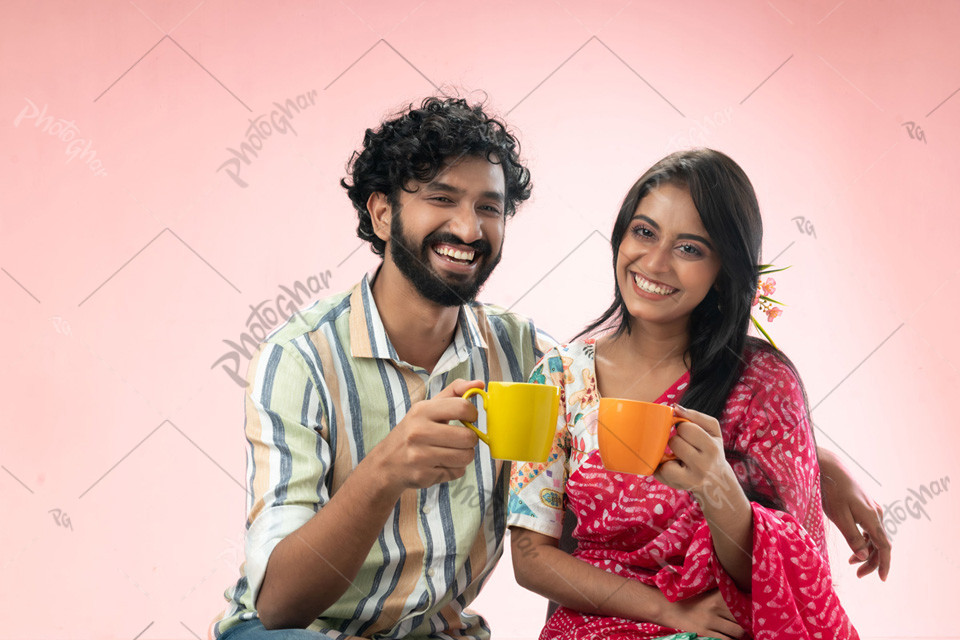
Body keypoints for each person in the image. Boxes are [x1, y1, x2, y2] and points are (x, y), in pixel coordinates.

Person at [212, 99, 886, 639]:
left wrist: (813, 465)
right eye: (441, 200)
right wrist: (385, 471)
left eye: (489, 208)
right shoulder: (299, 361)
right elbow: (278, 606)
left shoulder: (522, 357)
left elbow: (616, 406)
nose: (469, 229)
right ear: (383, 212)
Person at [508, 149, 864, 639]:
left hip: (720, 624)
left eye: (690, 248)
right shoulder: (558, 378)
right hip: (592, 626)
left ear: (724, 269)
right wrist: (669, 612)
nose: (654, 263)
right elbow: (530, 557)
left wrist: (717, 485)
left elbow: (772, 577)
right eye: (644, 232)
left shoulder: (762, 384)